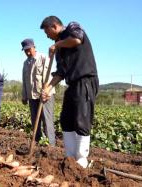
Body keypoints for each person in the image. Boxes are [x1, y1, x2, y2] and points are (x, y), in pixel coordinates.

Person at [40, 16, 99, 168]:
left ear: (54, 26)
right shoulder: (59, 47)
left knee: (81, 119)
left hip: (85, 80)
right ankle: (70, 157)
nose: (47, 36)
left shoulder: (72, 28)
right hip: (72, 83)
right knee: (66, 119)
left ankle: (81, 159)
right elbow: (61, 72)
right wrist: (48, 87)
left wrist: (58, 44)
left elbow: (78, 39)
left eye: (47, 32)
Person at [21, 38, 56, 146]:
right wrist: (24, 96)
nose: (27, 52)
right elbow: (25, 81)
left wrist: (46, 92)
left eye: (29, 49)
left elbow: (49, 77)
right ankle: (37, 143)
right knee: (34, 121)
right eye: (25, 50)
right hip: (32, 96)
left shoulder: (43, 58)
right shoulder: (26, 63)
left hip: (45, 96)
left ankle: (50, 146)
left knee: (47, 121)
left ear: (34, 47)